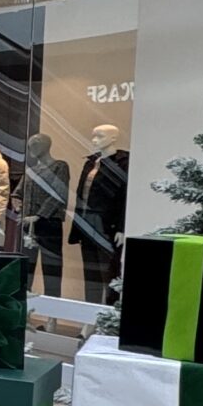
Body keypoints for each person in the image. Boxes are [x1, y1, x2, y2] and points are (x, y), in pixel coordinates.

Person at [72, 124, 130, 302]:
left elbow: (126, 196)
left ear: (113, 138)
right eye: (94, 136)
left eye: (100, 136)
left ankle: (108, 315)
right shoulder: (91, 162)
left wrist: (122, 227)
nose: (95, 140)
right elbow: (81, 194)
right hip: (87, 225)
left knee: (110, 272)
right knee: (90, 273)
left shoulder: (123, 163)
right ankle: (89, 318)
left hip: (107, 226)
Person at [10, 132, 72, 294]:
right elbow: (17, 193)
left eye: (37, 143)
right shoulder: (31, 171)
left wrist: (39, 216)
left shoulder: (60, 167)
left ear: (46, 146)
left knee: (51, 270)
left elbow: (58, 194)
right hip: (27, 226)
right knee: (26, 268)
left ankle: (52, 316)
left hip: (48, 224)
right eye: (31, 144)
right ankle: (26, 309)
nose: (32, 147)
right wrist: (19, 207)